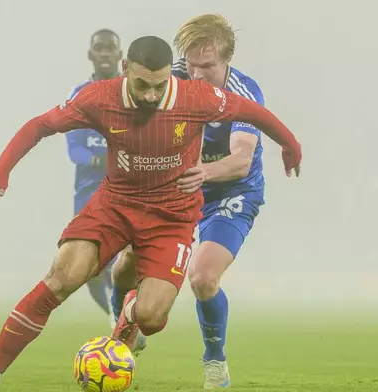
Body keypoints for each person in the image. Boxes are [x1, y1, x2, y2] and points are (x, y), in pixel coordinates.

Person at [0, 35, 301, 392]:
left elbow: (254, 113)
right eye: (142, 84)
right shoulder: (99, 97)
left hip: (172, 218)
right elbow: (40, 125)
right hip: (115, 206)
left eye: (159, 85)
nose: (150, 95)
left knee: (150, 318)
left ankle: (133, 309)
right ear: (125, 69)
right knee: (61, 277)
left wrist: (290, 144)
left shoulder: (196, 98)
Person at [110, 14, 272, 388]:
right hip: (175, 189)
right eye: (192, 65)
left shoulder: (244, 92)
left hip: (229, 193)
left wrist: (200, 171)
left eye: (208, 67)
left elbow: (241, 159)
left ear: (227, 60)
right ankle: (126, 323)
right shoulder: (172, 77)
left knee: (202, 278)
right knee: (123, 267)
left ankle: (215, 362)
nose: (197, 76)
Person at [65, 29, 122, 327]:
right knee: (88, 270)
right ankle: (117, 319)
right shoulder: (80, 94)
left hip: (128, 191)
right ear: (90, 54)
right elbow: (74, 149)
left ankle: (129, 316)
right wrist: (105, 158)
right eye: (98, 48)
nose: (103, 53)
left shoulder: (130, 92)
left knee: (125, 265)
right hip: (89, 193)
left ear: (120, 55)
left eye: (109, 48)